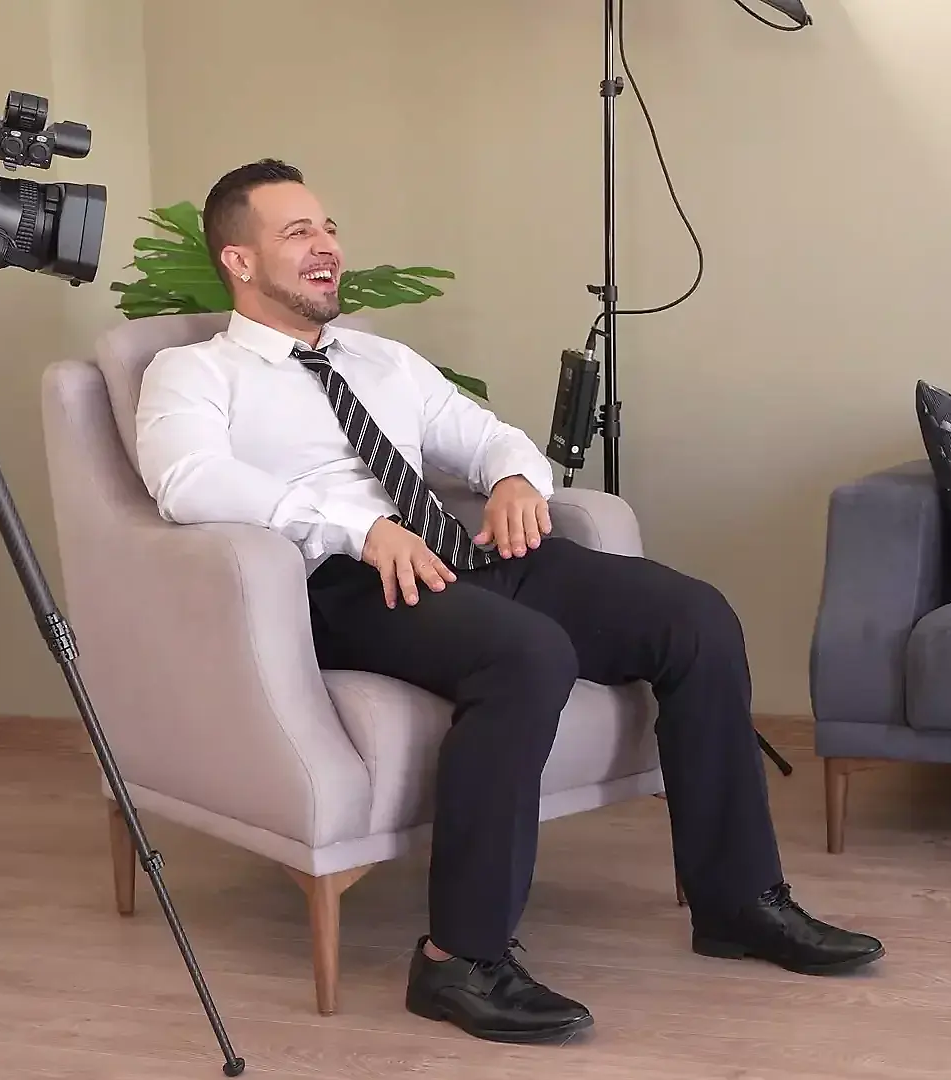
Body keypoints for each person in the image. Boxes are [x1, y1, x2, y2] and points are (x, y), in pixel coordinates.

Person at [133, 159, 883, 1044]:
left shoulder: (383, 360)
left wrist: (516, 480)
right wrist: (356, 528)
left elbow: (485, 435)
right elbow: (188, 480)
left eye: (328, 228)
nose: (327, 245)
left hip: (459, 554)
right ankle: (459, 959)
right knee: (527, 654)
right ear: (239, 261)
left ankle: (738, 903)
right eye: (299, 233)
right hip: (342, 584)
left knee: (695, 617)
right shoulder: (195, 372)